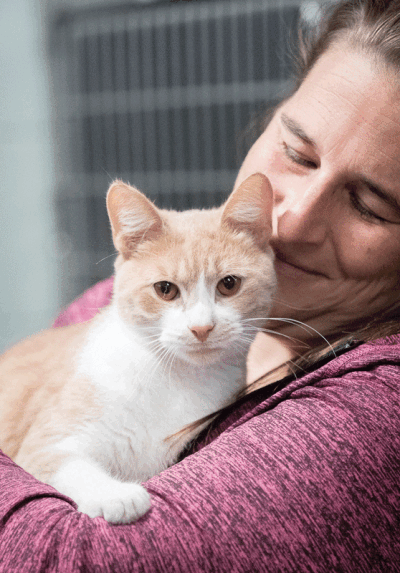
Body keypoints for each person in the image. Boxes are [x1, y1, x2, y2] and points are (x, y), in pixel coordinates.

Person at [1, 0, 400, 570]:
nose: (291, 221)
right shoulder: (124, 303)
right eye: (295, 152)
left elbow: (72, 557)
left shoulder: (377, 411)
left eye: (369, 204)